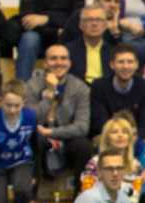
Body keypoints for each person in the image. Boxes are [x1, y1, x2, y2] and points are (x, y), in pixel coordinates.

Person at [25, 41, 94, 179]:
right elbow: (30, 121)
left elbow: (82, 127)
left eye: (63, 58)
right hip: (39, 138)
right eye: (53, 58)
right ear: (45, 64)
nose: (58, 63)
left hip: (66, 136)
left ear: (69, 63)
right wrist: (49, 94)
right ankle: (31, 191)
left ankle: (80, 191)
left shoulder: (79, 87)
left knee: (85, 147)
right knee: (35, 141)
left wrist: (52, 132)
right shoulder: (32, 86)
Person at [16, 0, 85, 81]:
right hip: (39, 40)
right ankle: (21, 88)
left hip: (65, 39)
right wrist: (57, 31)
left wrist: (46, 19)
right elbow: (27, 23)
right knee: (29, 38)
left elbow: (76, 22)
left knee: (78, 39)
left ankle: (74, 88)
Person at [88, 45, 145, 139]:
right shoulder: (99, 86)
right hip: (108, 137)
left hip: (136, 138)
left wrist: (129, 137)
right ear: (112, 64)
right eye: (121, 62)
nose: (125, 66)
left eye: (130, 62)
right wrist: (118, 137)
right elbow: (99, 123)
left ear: (136, 64)